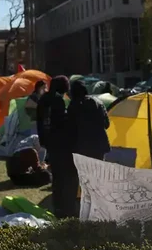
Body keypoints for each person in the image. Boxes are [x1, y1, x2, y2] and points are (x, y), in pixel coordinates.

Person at [37, 76, 77, 218]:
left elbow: (40, 120)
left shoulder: (43, 99)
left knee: (56, 174)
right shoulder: (58, 100)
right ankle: (63, 206)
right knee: (63, 175)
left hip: (48, 141)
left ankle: (57, 204)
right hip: (60, 142)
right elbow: (60, 122)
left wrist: (43, 139)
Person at [67, 80, 111, 161]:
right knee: (99, 171)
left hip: (81, 146)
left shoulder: (73, 105)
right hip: (99, 145)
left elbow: (70, 127)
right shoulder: (98, 102)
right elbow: (107, 124)